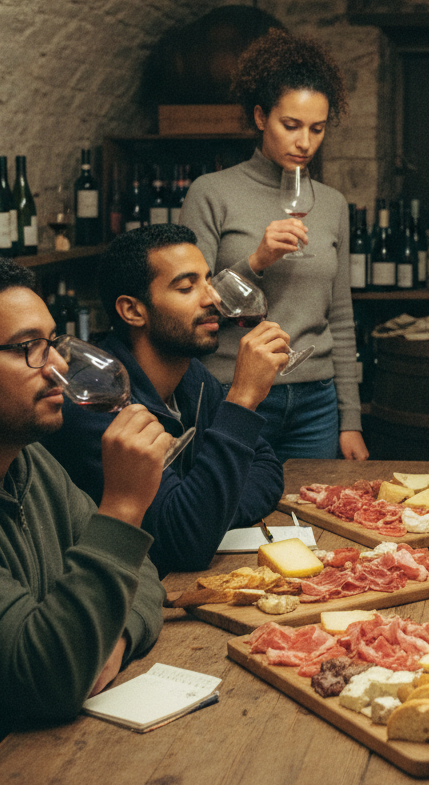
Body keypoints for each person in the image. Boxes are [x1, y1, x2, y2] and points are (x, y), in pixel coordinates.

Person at [0, 258, 168, 785]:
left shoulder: (28, 461)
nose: (58, 366)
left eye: (54, 342)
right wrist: (124, 504)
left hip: (46, 758)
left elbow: (144, 575)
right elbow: (52, 679)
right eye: (26, 348)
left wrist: (117, 638)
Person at [43, 225, 288, 576]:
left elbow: (266, 467)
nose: (213, 299)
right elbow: (186, 543)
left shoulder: (193, 377)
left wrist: (209, 513)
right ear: (133, 310)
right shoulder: (96, 406)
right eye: (187, 287)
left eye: (208, 281)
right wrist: (242, 399)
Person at [181, 29, 367, 463]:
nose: (305, 142)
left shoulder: (334, 204)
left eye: (317, 129)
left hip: (316, 401)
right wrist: (256, 261)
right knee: (233, 519)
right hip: (233, 390)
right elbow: (191, 306)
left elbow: (340, 318)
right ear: (262, 117)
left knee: (313, 523)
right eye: (291, 125)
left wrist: (350, 419)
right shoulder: (211, 193)